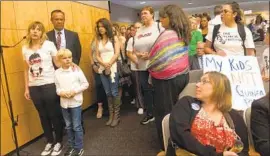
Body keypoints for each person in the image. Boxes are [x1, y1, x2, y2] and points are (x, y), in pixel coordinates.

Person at [168, 71, 249, 156]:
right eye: (199, 81)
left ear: (219, 87)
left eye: (204, 81)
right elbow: (181, 136)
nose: (197, 84)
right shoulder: (186, 104)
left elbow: (243, 150)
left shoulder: (234, 116)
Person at [147, 5, 190, 155]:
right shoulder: (182, 33)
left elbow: (157, 57)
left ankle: (166, 145)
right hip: (183, 75)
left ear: (169, 18)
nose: (161, 20)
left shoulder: (167, 34)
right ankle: (180, 141)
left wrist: (150, 66)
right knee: (179, 110)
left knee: (164, 113)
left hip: (166, 81)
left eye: (162, 17)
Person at [22, 21, 64, 156]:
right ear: (29, 31)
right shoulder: (25, 48)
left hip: (49, 84)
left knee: (53, 113)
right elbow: (25, 70)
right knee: (43, 115)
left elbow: (57, 63)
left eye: (38, 29)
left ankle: (58, 141)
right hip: (34, 87)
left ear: (42, 32)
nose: (35, 31)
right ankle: (49, 141)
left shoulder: (49, 45)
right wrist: (27, 88)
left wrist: (69, 65)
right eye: (32, 29)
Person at [126, 6, 164, 123]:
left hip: (156, 63)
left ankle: (162, 114)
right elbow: (134, 48)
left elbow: (165, 44)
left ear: (152, 15)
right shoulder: (139, 30)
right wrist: (139, 54)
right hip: (142, 65)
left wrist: (151, 54)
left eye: (145, 13)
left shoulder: (159, 27)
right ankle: (150, 113)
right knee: (146, 89)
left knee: (158, 88)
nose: (143, 15)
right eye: (141, 14)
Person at [55, 49, 89, 156]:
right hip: (64, 103)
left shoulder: (77, 71)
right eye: (64, 58)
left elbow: (85, 84)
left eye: (69, 57)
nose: (68, 60)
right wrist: (62, 93)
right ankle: (71, 146)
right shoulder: (57, 73)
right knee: (68, 126)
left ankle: (79, 148)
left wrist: (75, 91)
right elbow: (57, 88)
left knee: (76, 126)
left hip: (75, 103)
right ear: (59, 60)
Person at [95, 18, 121, 127]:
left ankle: (116, 116)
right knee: (108, 92)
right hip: (102, 69)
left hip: (113, 68)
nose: (101, 28)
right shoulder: (98, 40)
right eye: (99, 27)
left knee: (114, 92)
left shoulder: (114, 38)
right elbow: (97, 55)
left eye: (102, 26)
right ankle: (111, 115)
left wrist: (109, 64)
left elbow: (117, 53)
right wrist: (103, 64)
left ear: (107, 27)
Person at [90, 38, 108, 119]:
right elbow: (90, 54)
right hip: (97, 66)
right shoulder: (94, 40)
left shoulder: (109, 39)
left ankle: (110, 108)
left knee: (107, 87)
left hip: (107, 65)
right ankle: (100, 108)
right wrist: (93, 65)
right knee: (99, 85)